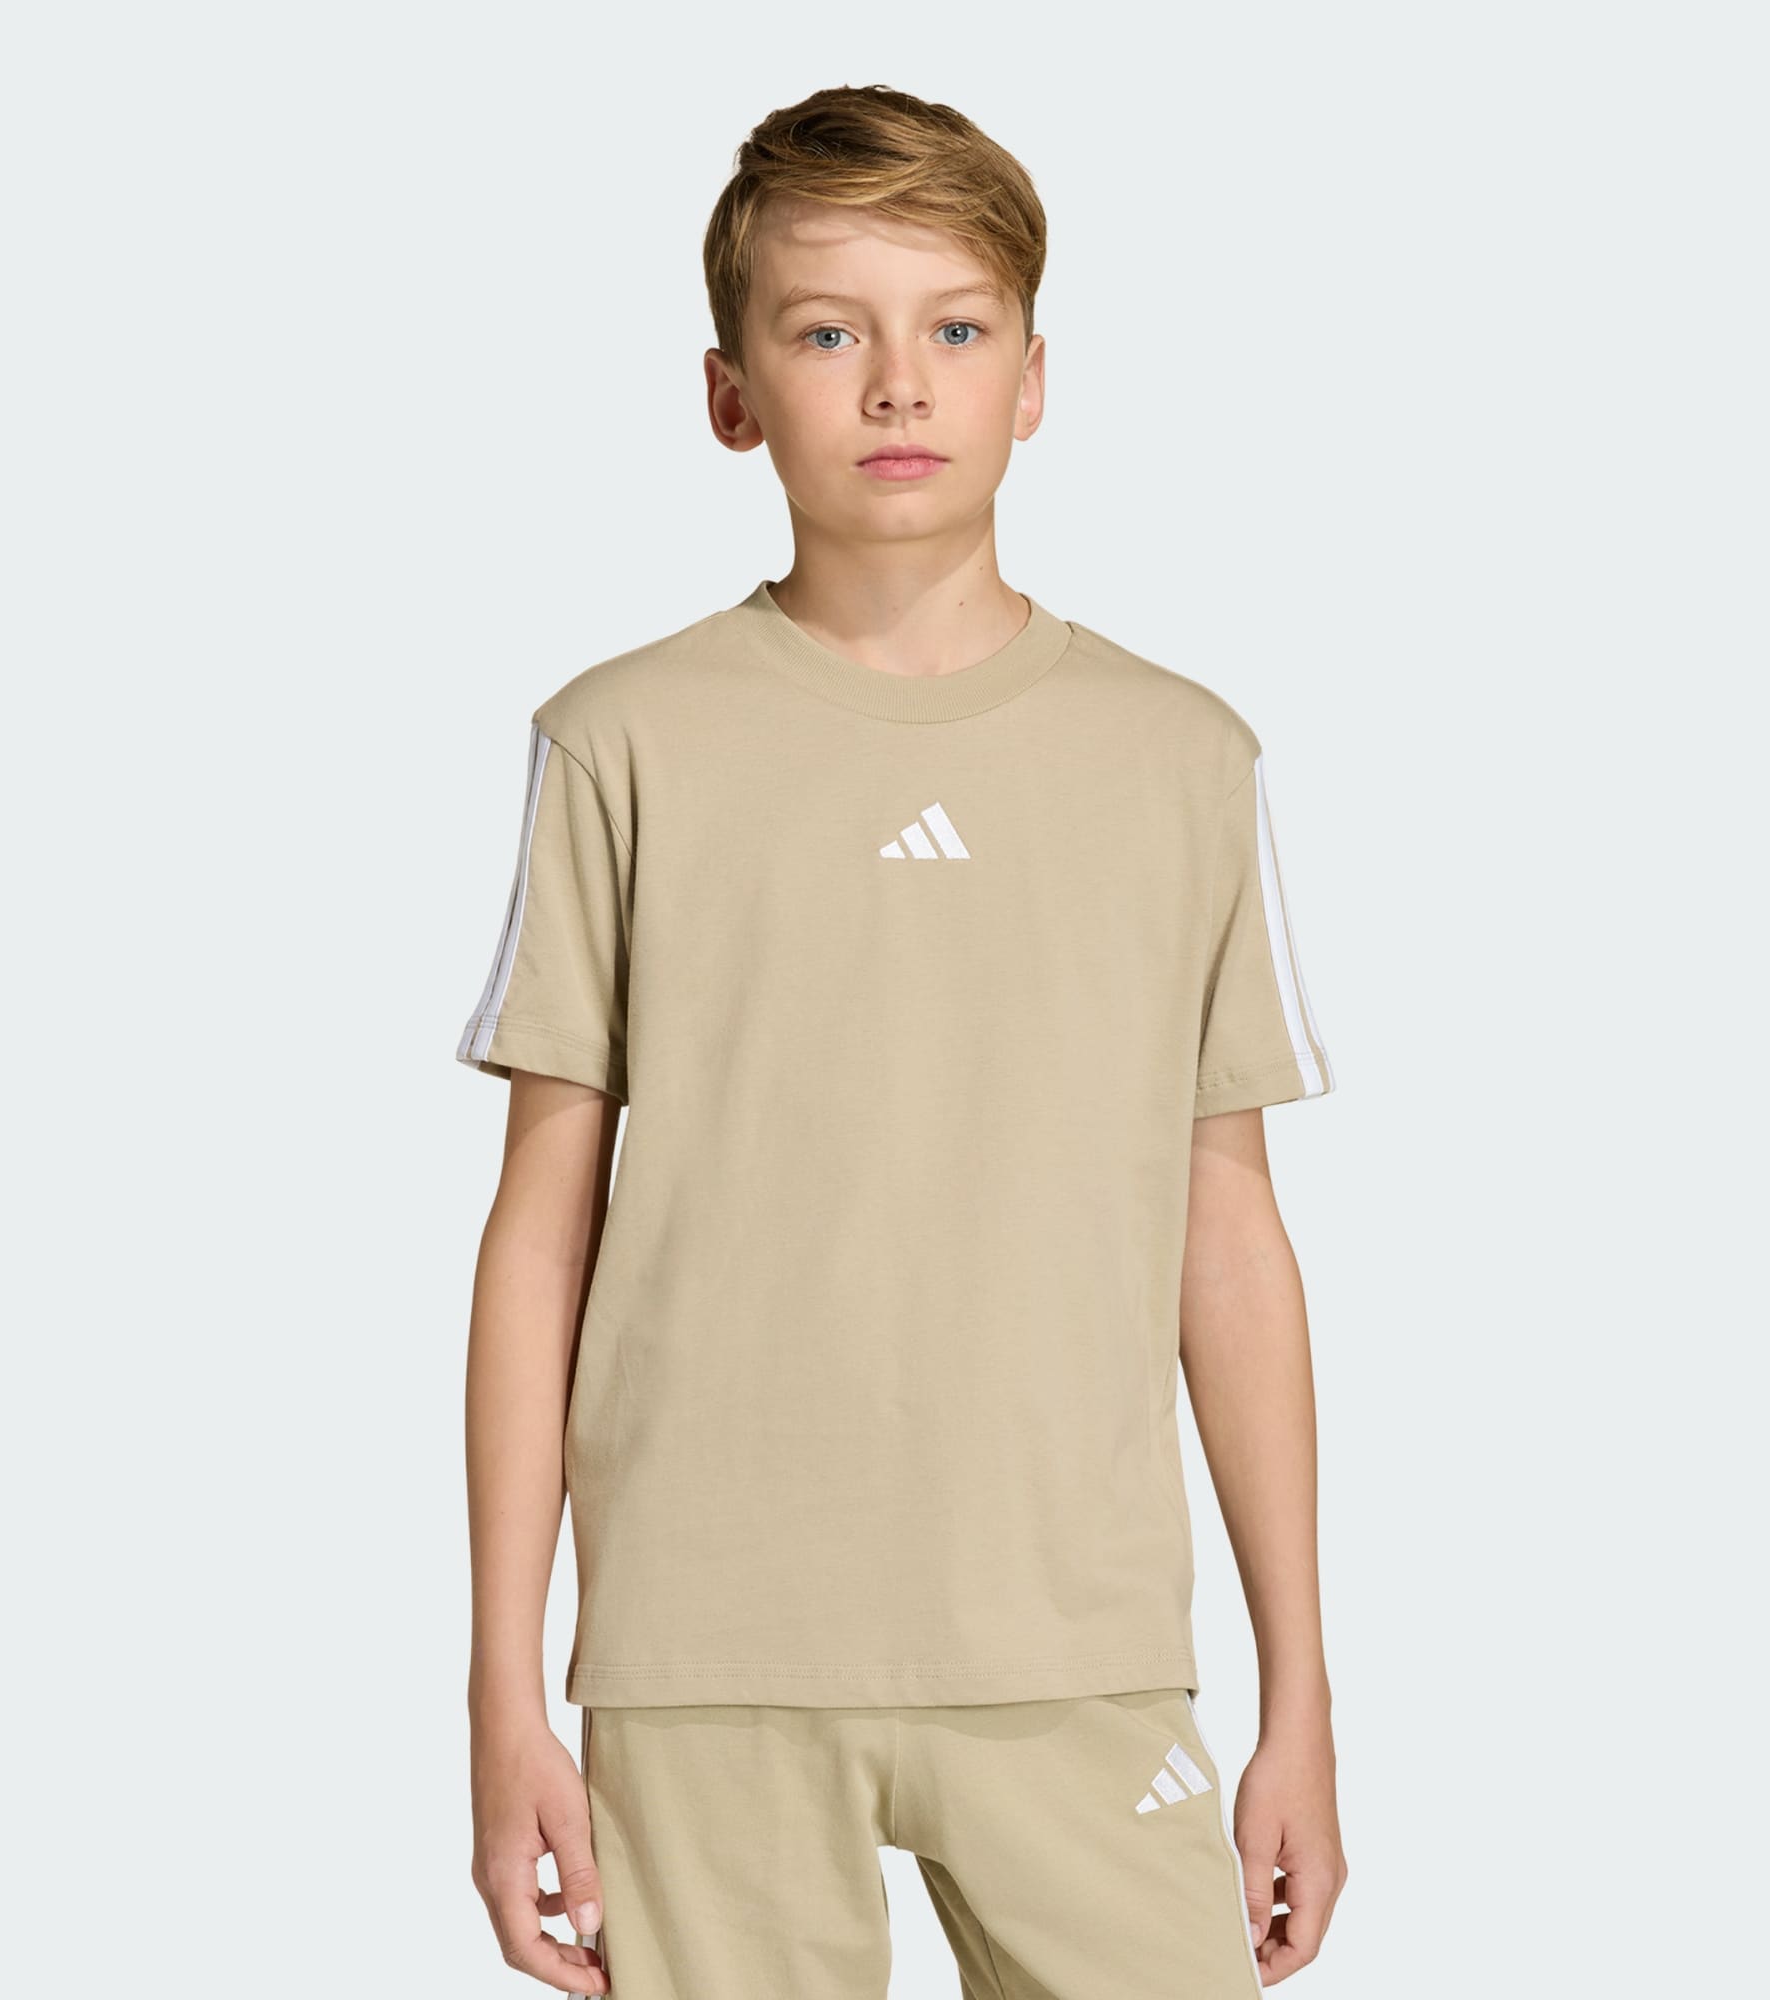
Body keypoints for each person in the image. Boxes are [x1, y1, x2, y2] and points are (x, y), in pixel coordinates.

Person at [456, 82, 1348, 1997]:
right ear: (730, 393)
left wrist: (1302, 1696)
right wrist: (501, 1692)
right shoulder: (619, 742)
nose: (895, 386)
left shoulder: (1184, 759)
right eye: (824, 332)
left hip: (1077, 1645)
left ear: (1034, 379)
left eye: (954, 328)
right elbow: (540, 1234)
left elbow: (1231, 1236)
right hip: (705, 1659)